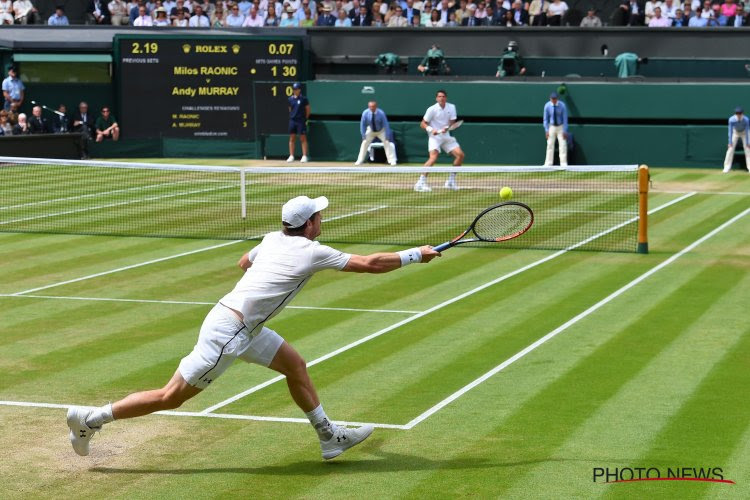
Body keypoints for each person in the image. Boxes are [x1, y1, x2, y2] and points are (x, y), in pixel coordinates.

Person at [66, 195, 441, 460]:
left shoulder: (271, 239)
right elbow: (371, 263)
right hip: (229, 333)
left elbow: (243, 261)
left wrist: (268, 273)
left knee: (295, 365)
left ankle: (329, 437)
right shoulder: (311, 251)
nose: (321, 220)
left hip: (244, 326)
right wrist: (416, 255)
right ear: (309, 224)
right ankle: (90, 419)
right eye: (318, 216)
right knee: (170, 397)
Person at [414, 89, 465, 193]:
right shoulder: (431, 109)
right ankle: (420, 183)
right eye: (439, 97)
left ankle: (450, 181)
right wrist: (431, 130)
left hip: (446, 136)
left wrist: (447, 127)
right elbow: (423, 124)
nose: (441, 98)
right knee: (433, 158)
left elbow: (452, 122)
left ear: (446, 98)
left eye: (443, 96)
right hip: (435, 138)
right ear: (436, 98)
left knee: (460, 155)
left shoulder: (452, 107)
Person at [355, 101, 396, 166]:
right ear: (368, 107)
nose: (372, 108)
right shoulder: (365, 113)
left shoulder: (381, 113)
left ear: (376, 106)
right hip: (370, 130)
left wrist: (387, 135)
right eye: (370, 106)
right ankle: (359, 160)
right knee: (364, 143)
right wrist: (363, 135)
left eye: (373, 106)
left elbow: (386, 124)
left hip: (381, 131)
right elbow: (362, 125)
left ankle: (392, 161)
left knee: (387, 143)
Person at [543, 92, 568, 167]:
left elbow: (565, 119)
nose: (553, 100)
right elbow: (545, 119)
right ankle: (548, 163)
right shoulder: (547, 106)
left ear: (557, 98)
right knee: (550, 144)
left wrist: (565, 130)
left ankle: (563, 163)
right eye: (552, 99)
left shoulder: (562, 105)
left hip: (561, 127)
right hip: (552, 127)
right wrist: (546, 130)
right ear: (550, 99)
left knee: (563, 145)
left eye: (555, 98)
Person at [287, 83, 310, 163]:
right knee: (292, 138)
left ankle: (304, 156)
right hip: (292, 121)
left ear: (299, 90)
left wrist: (304, 119)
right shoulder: (290, 99)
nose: (294, 91)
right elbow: (290, 109)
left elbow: (308, 110)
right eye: (293, 89)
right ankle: (291, 156)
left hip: (301, 121)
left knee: (303, 138)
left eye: (296, 89)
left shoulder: (304, 99)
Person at [723, 106, 750, 173]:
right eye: (737, 113)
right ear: (735, 113)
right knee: (730, 149)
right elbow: (730, 131)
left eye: (740, 113)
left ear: (742, 113)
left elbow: (747, 131)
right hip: (735, 133)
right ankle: (726, 167)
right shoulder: (731, 119)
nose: (738, 115)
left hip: (744, 133)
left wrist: (748, 142)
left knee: (748, 149)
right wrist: (730, 142)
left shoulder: (746, 120)